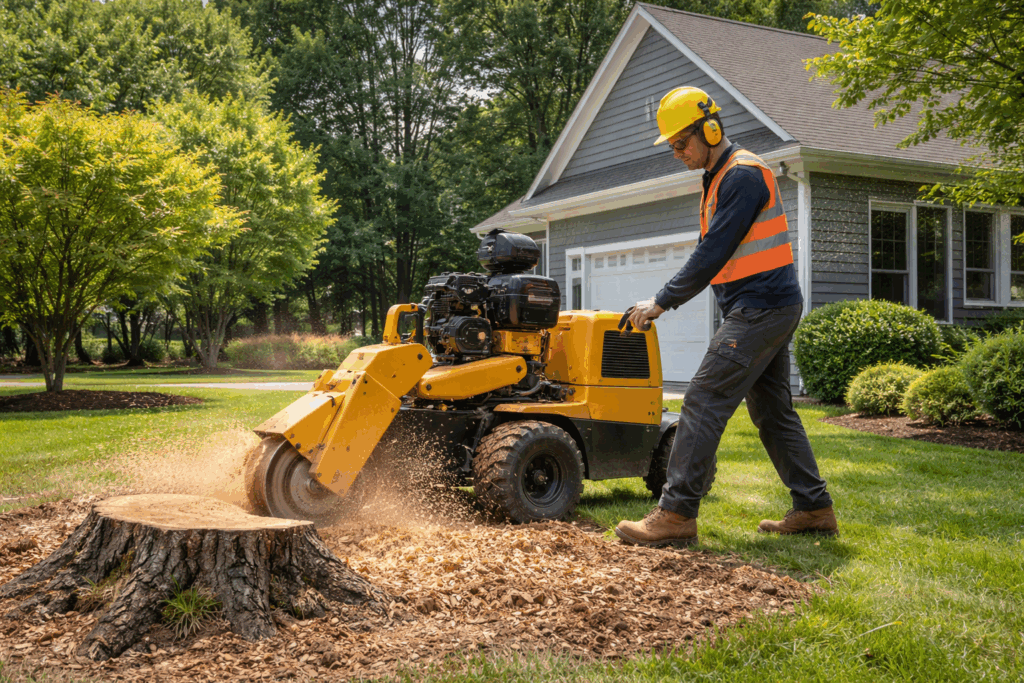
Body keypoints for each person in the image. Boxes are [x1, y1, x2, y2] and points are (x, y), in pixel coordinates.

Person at [614, 86, 836, 547]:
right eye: (672, 146)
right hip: (763, 306)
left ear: (710, 129)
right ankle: (814, 507)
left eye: (681, 143)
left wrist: (661, 301)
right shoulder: (717, 178)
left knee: (701, 399)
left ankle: (675, 514)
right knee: (773, 413)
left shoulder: (742, 175)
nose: (677, 153)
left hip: (762, 308)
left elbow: (713, 252)